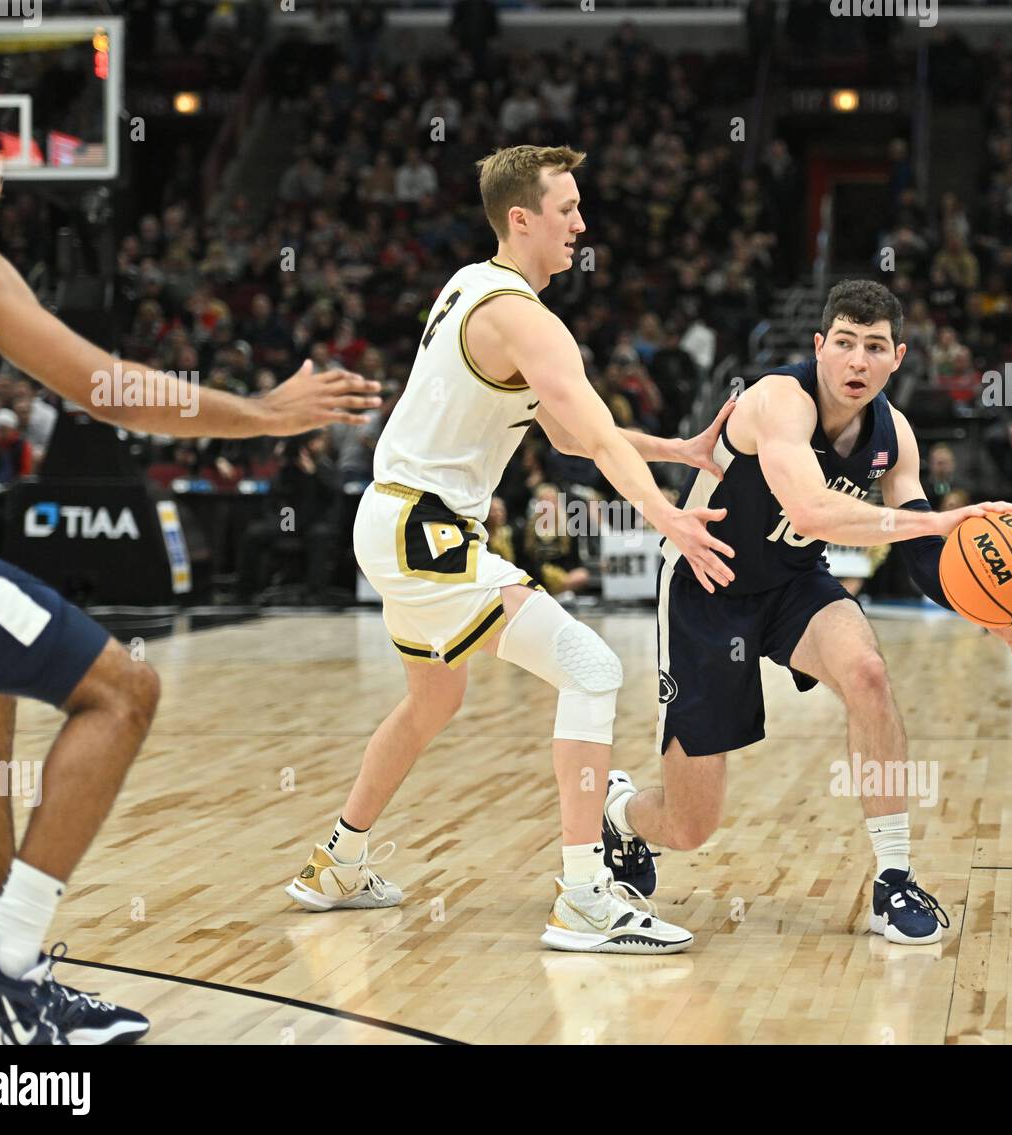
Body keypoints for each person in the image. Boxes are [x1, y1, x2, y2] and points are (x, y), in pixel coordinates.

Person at [0, 96, 380, 1044]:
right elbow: (106, 387)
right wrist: (264, 412)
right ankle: (0, 963)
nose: (2, 213)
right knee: (124, 690)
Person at [285, 145, 737, 955]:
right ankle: (585, 896)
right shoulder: (526, 315)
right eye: (567, 210)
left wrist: (674, 448)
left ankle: (339, 863)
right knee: (593, 668)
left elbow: (567, 432)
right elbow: (592, 435)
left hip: (396, 521)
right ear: (521, 218)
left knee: (434, 701)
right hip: (424, 530)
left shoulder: (470, 285)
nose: (581, 225)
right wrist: (667, 515)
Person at [598, 280, 1012, 946]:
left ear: (897, 357)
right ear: (819, 346)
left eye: (873, 348)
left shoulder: (895, 433)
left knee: (867, 671)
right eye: (843, 344)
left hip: (793, 583)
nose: (857, 362)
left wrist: (978, 601)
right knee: (691, 827)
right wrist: (946, 520)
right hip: (707, 587)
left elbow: (922, 540)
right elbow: (810, 509)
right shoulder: (779, 400)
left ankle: (893, 877)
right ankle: (620, 813)